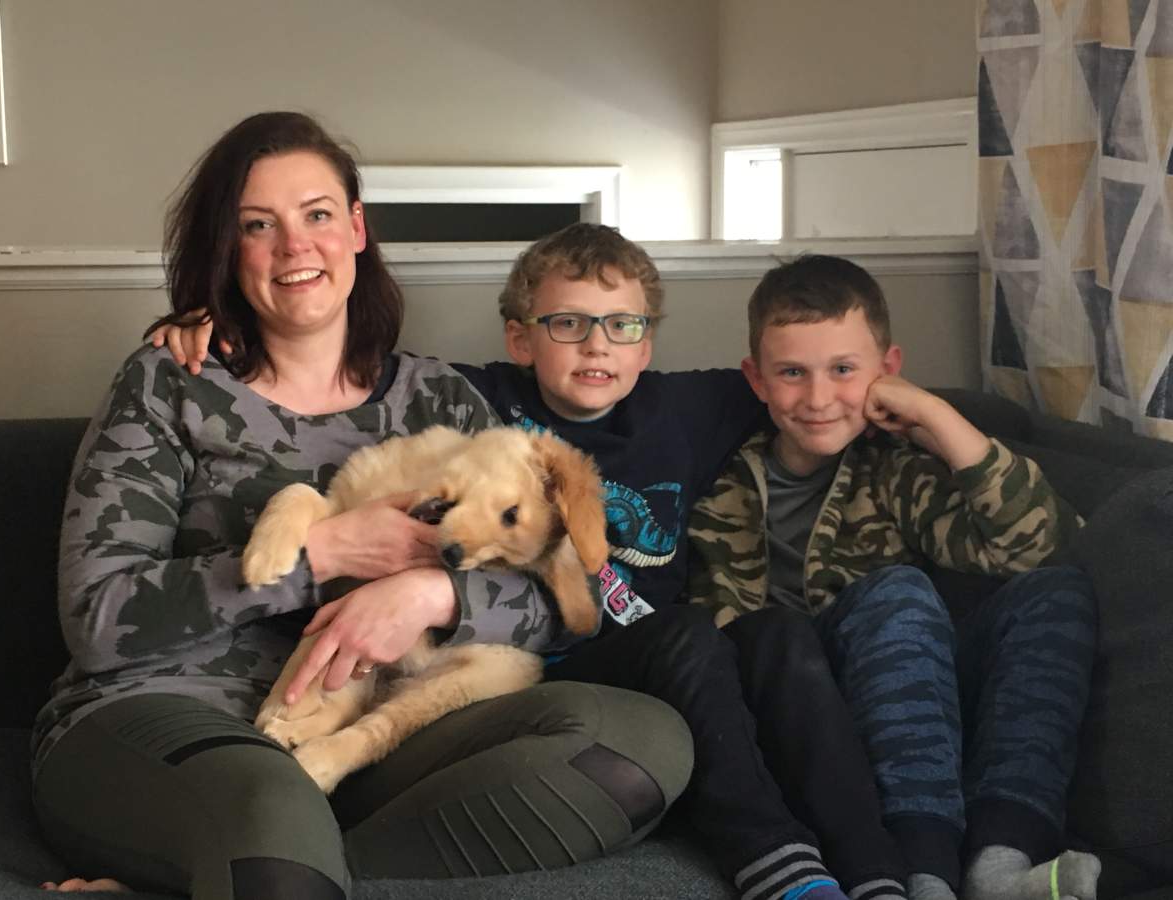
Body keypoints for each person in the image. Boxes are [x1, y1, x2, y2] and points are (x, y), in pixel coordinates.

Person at [32, 112, 694, 900]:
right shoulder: (169, 383)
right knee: (273, 816)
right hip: (173, 714)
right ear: (229, 249)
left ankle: (266, 874)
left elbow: (549, 603)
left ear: (355, 228)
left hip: (365, 737)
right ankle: (270, 863)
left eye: (316, 215)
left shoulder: (437, 397)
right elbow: (98, 619)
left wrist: (431, 594)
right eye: (257, 225)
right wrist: (326, 557)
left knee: (636, 745)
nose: (294, 245)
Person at [155, 223, 909, 900]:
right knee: (689, 632)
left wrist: (915, 402)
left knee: (777, 633)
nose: (597, 345)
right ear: (521, 340)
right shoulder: (472, 398)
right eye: (568, 323)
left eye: (622, 325)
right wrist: (213, 332)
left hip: (655, 654)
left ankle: (877, 873)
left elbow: (816, 388)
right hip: (540, 663)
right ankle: (774, 862)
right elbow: (335, 367)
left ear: (646, 344)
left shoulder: (688, 409)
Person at [685, 255, 1101, 900]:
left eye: (843, 370)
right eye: (792, 373)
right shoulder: (720, 479)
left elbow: (1038, 548)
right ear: (757, 379)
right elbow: (721, 637)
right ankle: (922, 871)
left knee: (1056, 591)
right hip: (809, 707)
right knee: (897, 590)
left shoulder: (895, 467)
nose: (818, 398)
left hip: (917, 692)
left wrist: (936, 415)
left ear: (888, 370)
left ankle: (999, 861)